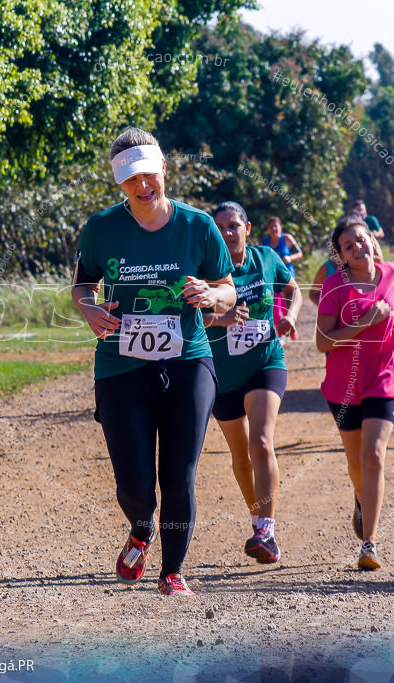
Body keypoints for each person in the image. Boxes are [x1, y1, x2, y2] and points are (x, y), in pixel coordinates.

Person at [72, 127, 237, 597]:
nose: (143, 186)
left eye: (148, 174)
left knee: (179, 472)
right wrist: (89, 309)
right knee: (135, 482)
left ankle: (172, 572)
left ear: (164, 168)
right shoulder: (101, 229)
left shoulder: (198, 226)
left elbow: (227, 289)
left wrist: (210, 293)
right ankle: (142, 529)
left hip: (187, 358)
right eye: (130, 180)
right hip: (121, 366)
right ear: (118, 185)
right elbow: (83, 286)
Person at [316, 215, 394, 570]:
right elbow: (322, 342)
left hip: (383, 379)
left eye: (361, 240)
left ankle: (369, 544)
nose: (357, 248)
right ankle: (361, 499)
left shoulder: (393, 274)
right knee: (355, 463)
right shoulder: (335, 285)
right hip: (343, 386)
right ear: (342, 256)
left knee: (373, 456)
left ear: (372, 241)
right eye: (349, 246)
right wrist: (364, 322)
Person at [205, 201, 301, 564]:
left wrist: (289, 316)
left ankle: (266, 531)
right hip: (222, 373)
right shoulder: (206, 269)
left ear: (247, 227)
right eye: (220, 228)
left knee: (261, 441)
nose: (227, 233)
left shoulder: (266, 259)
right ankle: (257, 518)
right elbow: (188, 317)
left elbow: (294, 290)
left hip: (265, 362)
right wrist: (222, 319)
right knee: (241, 454)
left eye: (233, 225)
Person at [261, 217, 303, 340]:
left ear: (280, 227)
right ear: (268, 229)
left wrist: (290, 258)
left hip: (287, 277)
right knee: (275, 307)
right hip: (272, 279)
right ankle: (281, 335)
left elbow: (300, 253)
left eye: (276, 226)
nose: (274, 229)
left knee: (287, 306)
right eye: (271, 227)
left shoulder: (287, 239)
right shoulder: (265, 242)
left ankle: (291, 327)